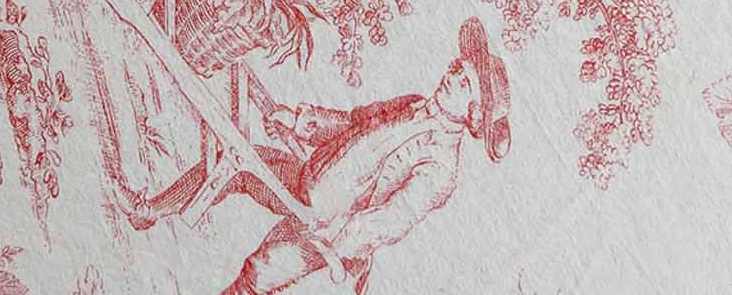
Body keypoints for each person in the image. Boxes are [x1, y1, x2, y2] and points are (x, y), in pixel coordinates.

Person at [121, 17, 510, 295]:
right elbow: (351, 122)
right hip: (308, 177)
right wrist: (299, 121)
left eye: (464, 83)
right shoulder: (411, 103)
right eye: (456, 69)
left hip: (327, 228)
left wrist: (339, 246)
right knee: (235, 163)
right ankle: (149, 210)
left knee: (259, 273)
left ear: (475, 115)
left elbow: (391, 219)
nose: (450, 78)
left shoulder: (441, 168)